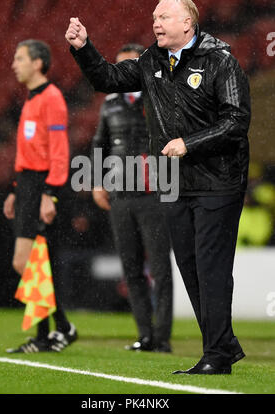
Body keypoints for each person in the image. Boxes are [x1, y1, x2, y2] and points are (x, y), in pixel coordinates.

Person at [65, 0, 251, 375]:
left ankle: (216, 355)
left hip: (218, 181)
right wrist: (84, 48)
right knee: (189, 266)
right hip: (175, 182)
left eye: (164, 16)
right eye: (154, 17)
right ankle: (224, 344)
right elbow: (108, 79)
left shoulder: (220, 61)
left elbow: (236, 122)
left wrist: (189, 143)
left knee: (211, 267)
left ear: (188, 23)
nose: (156, 22)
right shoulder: (152, 61)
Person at [91, 43, 173, 353]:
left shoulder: (161, 96)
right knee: (131, 267)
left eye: (129, 66)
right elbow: (100, 143)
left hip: (155, 193)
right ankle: (145, 335)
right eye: (119, 68)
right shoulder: (110, 102)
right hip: (121, 195)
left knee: (161, 268)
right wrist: (97, 182)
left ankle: (162, 338)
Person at [3, 39, 77, 353]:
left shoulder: (52, 98)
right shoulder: (31, 100)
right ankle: (58, 328)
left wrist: (50, 194)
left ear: (37, 63)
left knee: (30, 263)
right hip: (28, 185)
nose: (13, 64)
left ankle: (50, 332)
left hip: (43, 185)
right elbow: (30, 151)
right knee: (29, 264)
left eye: (20, 58)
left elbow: (60, 152)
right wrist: (16, 191)